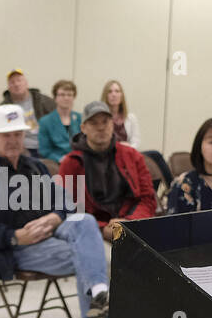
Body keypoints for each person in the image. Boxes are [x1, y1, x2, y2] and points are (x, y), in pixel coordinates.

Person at [0, 104, 110, 318]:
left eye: (18, 134)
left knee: (84, 220)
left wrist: (54, 216)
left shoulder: (35, 167)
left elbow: (66, 202)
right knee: (96, 259)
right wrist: (14, 236)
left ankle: (99, 295)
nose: (13, 140)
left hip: (52, 235)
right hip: (16, 248)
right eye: (6, 135)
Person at [58, 101, 156, 235]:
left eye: (105, 122)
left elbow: (148, 198)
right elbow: (72, 209)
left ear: (112, 124)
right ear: (83, 128)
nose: (101, 127)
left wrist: (130, 222)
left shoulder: (133, 156)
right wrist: (102, 229)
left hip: (133, 226)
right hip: (92, 231)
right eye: (94, 123)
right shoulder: (71, 163)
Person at [2, 69, 53, 157]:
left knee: (47, 168)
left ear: (26, 83)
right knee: (5, 167)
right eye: (12, 82)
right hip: (18, 149)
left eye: (19, 80)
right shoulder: (3, 108)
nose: (16, 84)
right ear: (8, 87)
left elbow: (57, 121)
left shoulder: (44, 101)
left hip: (44, 147)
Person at [38, 79, 81, 163]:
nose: (66, 98)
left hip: (79, 162)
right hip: (55, 164)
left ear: (74, 97)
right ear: (55, 98)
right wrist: (61, 159)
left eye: (69, 95)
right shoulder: (45, 122)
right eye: (62, 95)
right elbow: (44, 150)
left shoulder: (81, 119)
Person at [102, 79, 139, 146]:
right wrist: (119, 146)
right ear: (105, 96)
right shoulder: (100, 118)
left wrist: (128, 148)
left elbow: (135, 142)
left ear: (121, 95)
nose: (114, 94)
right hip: (108, 154)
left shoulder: (131, 118)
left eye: (117, 91)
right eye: (110, 92)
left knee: (155, 154)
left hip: (128, 153)